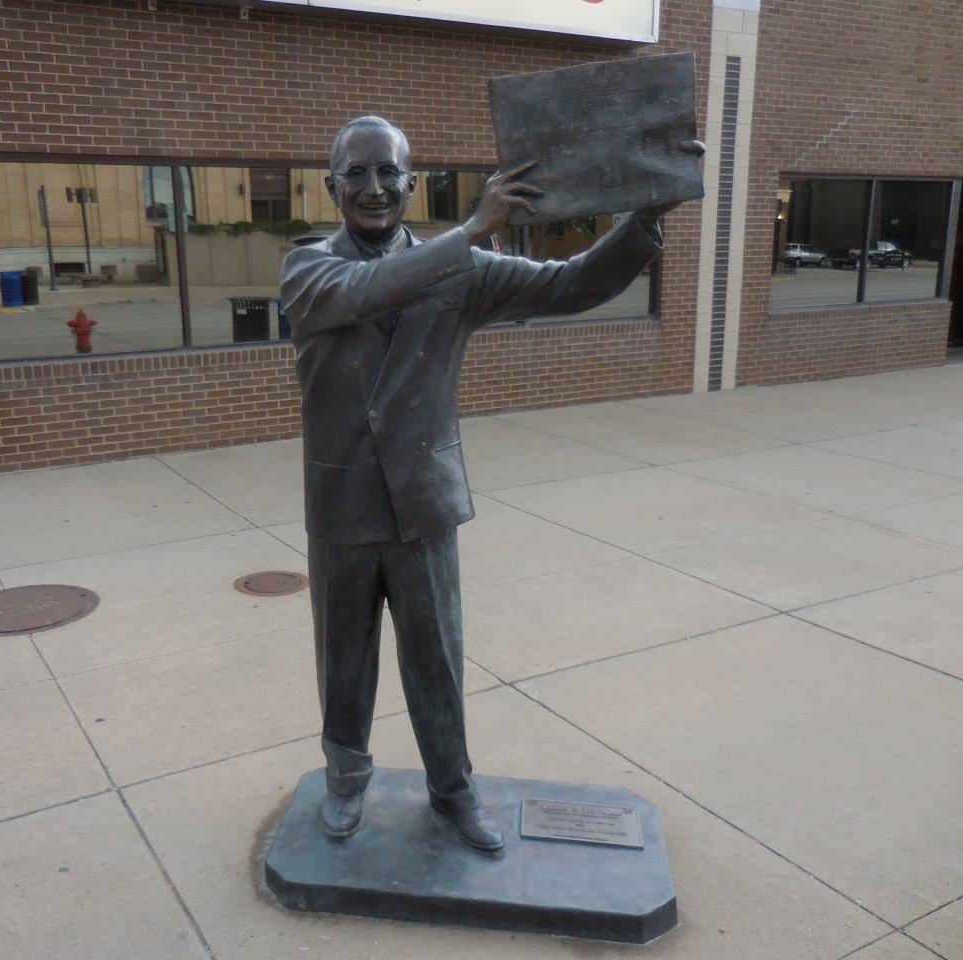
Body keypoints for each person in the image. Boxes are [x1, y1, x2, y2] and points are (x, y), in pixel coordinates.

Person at [281, 115, 698, 852]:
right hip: (342, 505)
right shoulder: (309, 268)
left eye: (388, 173)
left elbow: (572, 286)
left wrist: (642, 217)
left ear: (411, 184)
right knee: (342, 660)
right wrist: (472, 228)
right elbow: (369, 290)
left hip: (424, 505)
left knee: (436, 660)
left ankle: (453, 792)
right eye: (357, 173)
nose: (374, 188)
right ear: (332, 186)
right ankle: (346, 781)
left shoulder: (461, 268)